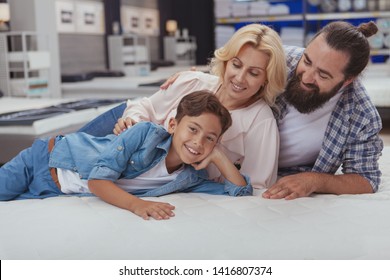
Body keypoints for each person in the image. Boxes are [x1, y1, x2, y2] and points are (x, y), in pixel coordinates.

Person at [147, 20, 384, 200]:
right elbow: (240, 64)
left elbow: (366, 179)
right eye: (308, 60)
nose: (307, 76)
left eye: (323, 75)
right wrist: (191, 79)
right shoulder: (285, 59)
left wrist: (314, 181)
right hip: (227, 155)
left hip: (274, 174)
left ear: (347, 80)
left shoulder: (361, 115)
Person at [78, 23, 288, 190]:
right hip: (122, 134)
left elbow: (257, 186)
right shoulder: (193, 82)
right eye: (236, 64)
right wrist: (133, 124)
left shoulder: (261, 122)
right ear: (226, 61)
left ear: (266, 79)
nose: (240, 78)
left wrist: (219, 160)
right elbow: (145, 107)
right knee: (55, 156)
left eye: (253, 73)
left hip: (152, 176)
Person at [0, 91, 253, 220]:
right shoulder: (145, 134)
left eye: (210, 138)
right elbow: (97, 181)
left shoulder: (190, 177)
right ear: (173, 125)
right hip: (44, 160)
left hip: (54, 190)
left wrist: (218, 155)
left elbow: (239, 190)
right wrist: (138, 205)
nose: (198, 142)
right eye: (193, 129)